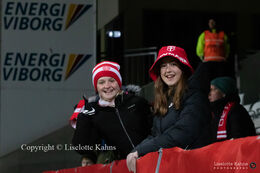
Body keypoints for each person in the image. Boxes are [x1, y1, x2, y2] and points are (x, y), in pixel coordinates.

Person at [126, 46, 212, 172]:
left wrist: (141, 150)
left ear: (183, 68)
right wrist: (134, 151)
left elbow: (182, 133)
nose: (168, 70)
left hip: (196, 167)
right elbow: (155, 135)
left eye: (173, 64)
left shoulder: (195, 96)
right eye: (163, 66)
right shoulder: (165, 100)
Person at [72, 61, 152, 163]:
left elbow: (154, 131)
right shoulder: (96, 113)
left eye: (111, 80)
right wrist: (84, 116)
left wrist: (142, 151)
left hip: (152, 160)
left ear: (119, 83)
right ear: (96, 87)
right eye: (101, 82)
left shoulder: (137, 102)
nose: (107, 86)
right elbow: (82, 147)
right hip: (126, 166)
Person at [208, 76, 256, 141]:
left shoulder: (236, 110)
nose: (209, 94)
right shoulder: (217, 112)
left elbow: (238, 139)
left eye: (213, 89)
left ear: (224, 93)